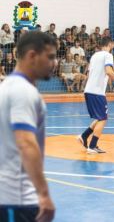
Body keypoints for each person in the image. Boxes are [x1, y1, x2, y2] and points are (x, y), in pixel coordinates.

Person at [0, 31, 56, 222]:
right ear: (32, 55)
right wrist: (44, 194)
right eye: (50, 57)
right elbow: (26, 142)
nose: (53, 63)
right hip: (17, 198)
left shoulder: (6, 87)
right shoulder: (23, 92)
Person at [77, 37, 114, 154]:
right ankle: (92, 146)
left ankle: (84, 136)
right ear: (110, 44)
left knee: (100, 117)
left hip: (90, 90)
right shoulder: (108, 55)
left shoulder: (95, 56)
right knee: (103, 118)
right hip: (97, 92)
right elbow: (109, 71)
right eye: (113, 44)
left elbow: (90, 73)